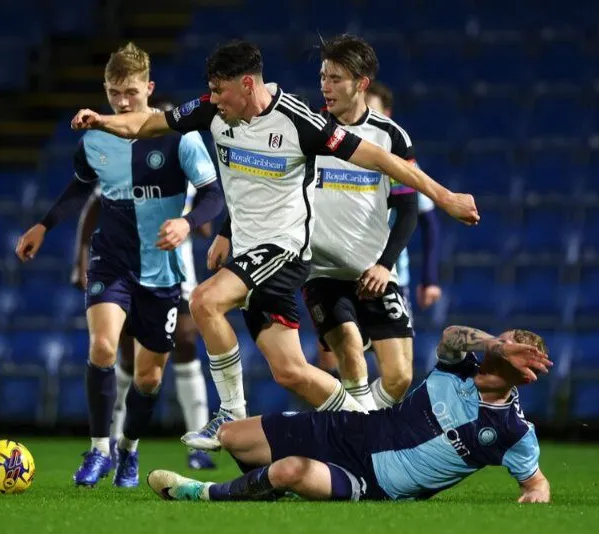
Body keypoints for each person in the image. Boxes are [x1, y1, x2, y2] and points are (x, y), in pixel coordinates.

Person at [70, 39, 480, 451]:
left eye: (220, 89)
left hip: (283, 249)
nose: (212, 98)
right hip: (249, 252)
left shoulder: (299, 120)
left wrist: (445, 197)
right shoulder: (211, 110)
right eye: (210, 89)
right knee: (292, 371)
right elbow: (147, 124)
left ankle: (230, 414)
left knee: (205, 302)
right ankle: (374, 434)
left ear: (247, 84)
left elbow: (378, 158)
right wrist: (101, 121)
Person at [15, 43, 224, 487]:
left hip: (162, 271)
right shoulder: (95, 138)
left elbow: (214, 195)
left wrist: (187, 224)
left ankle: (129, 450)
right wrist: (44, 225)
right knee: (104, 349)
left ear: (148, 88)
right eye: (114, 92)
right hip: (111, 260)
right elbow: (80, 188)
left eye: (130, 91)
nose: (123, 102)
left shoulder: (181, 138)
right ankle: (98, 450)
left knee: (149, 377)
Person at [147, 325, 553, 504]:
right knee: (234, 435)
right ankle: (266, 488)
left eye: (508, 348)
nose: (496, 348)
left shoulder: (512, 431)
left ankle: (200, 493)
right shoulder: (456, 367)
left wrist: (535, 493)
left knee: (290, 471)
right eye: (498, 342)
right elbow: (450, 336)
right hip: (353, 429)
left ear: (526, 373)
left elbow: (536, 481)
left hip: (372, 481)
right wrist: (494, 344)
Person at [70, 107, 217, 470]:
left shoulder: (180, 151)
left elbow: (209, 198)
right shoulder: (119, 160)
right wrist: (80, 261)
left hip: (173, 272)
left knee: (184, 343)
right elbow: (91, 208)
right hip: (124, 267)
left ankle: (196, 441)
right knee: (121, 354)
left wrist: (192, 220)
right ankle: (110, 443)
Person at [303, 35, 421, 413]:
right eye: (323, 76)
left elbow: (408, 210)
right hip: (321, 271)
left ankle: (354, 426)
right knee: (350, 351)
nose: (325, 86)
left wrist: (385, 265)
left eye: (336, 78)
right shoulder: (307, 131)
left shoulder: (392, 137)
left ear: (361, 83)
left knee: (400, 377)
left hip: (373, 272)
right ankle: (359, 439)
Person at [365, 81, 442, 314]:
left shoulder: (402, 163)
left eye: (372, 111)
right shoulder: (335, 156)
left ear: (387, 115)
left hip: (392, 275)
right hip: (339, 272)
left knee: (395, 350)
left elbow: (429, 223)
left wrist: (429, 278)